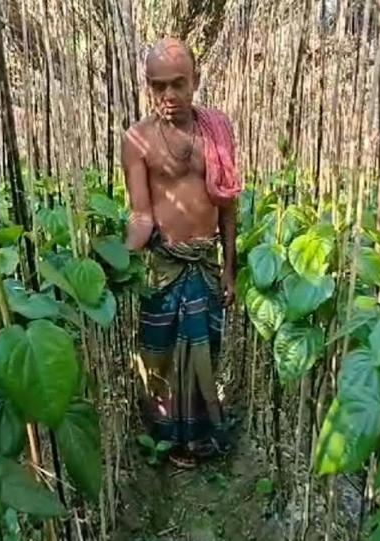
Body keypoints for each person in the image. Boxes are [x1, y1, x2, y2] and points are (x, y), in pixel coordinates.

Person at [121, 37, 241, 468]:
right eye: (158, 86)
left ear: (195, 81)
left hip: (205, 264)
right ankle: (166, 437)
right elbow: (141, 215)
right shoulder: (136, 140)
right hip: (164, 266)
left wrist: (229, 268)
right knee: (160, 352)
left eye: (178, 83)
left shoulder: (217, 131)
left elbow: (228, 205)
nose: (168, 95)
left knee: (205, 352)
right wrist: (116, 262)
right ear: (147, 86)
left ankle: (201, 435)